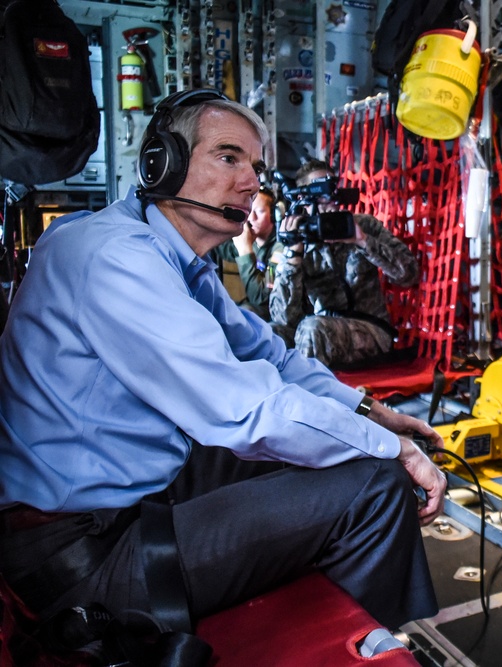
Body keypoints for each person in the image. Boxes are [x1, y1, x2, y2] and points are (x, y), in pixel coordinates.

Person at [0, 90, 445, 638]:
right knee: (376, 483)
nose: (251, 181)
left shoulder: (179, 261)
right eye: (229, 157)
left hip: (136, 497)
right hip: (84, 553)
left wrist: (369, 412)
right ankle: (361, 646)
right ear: (162, 164)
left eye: (256, 166)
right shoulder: (115, 258)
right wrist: (394, 449)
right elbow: (248, 409)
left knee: (331, 456)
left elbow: (271, 356)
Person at [270, 159, 419, 368]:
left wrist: (362, 240)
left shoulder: (362, 224)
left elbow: (409, 274)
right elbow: (282, 317)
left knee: (313, 329)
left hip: (370, 330)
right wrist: (293, 255)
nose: (331, 200)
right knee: (270, 334)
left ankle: (311, 396)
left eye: (332, 190)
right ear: (303, 198)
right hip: (321, 325)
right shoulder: (299, 236)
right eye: (321, 192)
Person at [211, 185, 282, 320]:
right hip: (258, 308)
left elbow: (260, 296)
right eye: (249, 212)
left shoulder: (279, 249)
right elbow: (221, 249)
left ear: (273, 215)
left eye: (259, 212)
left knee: (244, 314)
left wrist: (245, 249)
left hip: (275, 312)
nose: (251, 218)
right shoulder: (253, 239)